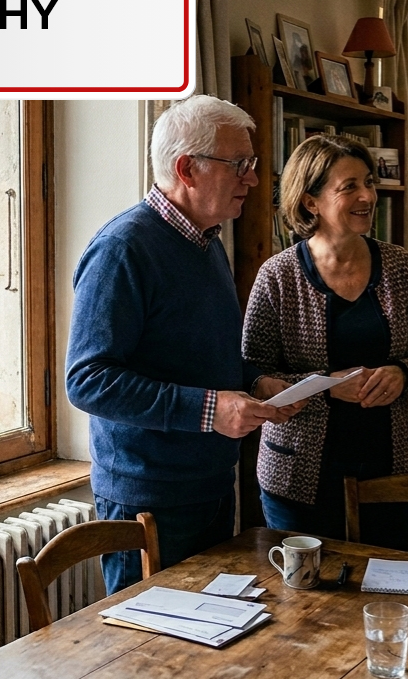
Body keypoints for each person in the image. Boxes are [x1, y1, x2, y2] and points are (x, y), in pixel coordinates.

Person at [66, 95, 302, 594]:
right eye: (239, 165)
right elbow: (87, 381)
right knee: (148, 642)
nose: (253, 179)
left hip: (210, 484)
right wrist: (211, 410)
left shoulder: (206, 241)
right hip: (147, 499)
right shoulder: (122, 248)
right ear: (186, 169)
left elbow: (198, 355)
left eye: (252, 164)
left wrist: (255, 383)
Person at [243, 134, 408, 550]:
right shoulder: (277, 276)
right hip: (298, 478)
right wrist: (327, 387)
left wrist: (402, 374)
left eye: (368, 182)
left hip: (390, 470)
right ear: (311, 202)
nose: (367, 196)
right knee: (306, 590)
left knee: (387, 580)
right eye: (349, 186)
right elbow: (252, 375)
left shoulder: (400, 266)